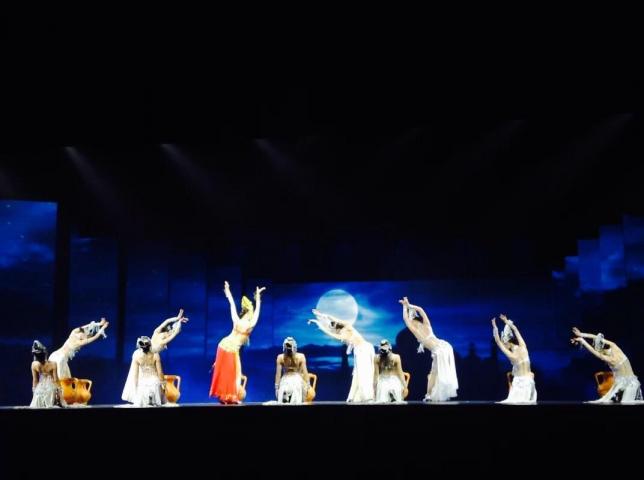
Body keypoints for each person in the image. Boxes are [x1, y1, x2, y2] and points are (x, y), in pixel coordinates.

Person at [209, 281, 266, 404]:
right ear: (249, 312)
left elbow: (231, 303)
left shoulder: (237, 320)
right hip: (231, 349)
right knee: (236, 373)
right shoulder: (250, 324)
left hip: (223, 345)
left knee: (228, 373)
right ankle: (231, 396)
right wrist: (258, 298)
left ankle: (225, 396)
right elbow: (257, 312)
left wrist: (228, 291)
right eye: (251, 312)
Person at [308, 309, 375, 403]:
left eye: (334, 325)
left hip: (363, 349)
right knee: (358, 374)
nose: (334, 327)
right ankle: (356, 397)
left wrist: (321, 315)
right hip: (359, 350)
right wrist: (317, 321)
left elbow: (334, 320)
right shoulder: (341, 334)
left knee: (364, 372)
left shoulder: (347, 326)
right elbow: (329, 331)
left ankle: (368, 396)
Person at [400, 297, 458, 401]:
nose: (410, 322)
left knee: (433, 375)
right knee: (433, 374)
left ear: (413, 321)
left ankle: (428, 395)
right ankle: (428, 395)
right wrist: (409, 305)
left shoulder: (415, 330)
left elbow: (405, 319)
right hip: (445, 346)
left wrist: (405, 306)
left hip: (439, 351)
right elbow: (421, 310)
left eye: (411, 320)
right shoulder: (426, 325)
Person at [571, 327, 642, 403]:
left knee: (625, 403)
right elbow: (597, 338)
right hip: (631, 383)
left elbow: (593, 351)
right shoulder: (614, 346)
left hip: (629, 386)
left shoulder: (611, 359)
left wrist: (582, 340)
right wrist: (581, 334)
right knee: (618, 401)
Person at [492, 314, 536, 404]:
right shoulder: (523, 346)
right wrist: (506, 321)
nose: (504, 346)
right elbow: (515, 330)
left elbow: (497, 342)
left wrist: (495, 327)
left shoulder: (512, 355)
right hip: (529, 383)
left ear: (507, 342)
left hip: (519, 386)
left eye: (504, 343)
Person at [121, 336, 166, 407]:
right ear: (150, 344)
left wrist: (136, 388)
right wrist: (164, 385)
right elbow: (160, 373)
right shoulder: (155, 354)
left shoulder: (136, 355)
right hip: (154, 383)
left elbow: (135, 375)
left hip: (142, 384)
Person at [274, 336, 310, 404]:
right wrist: (308, 385)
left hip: (285, 382)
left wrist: (277, 387)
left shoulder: (280, 357)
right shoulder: (301, 356)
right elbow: (305, 372)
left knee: (285, 400)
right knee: (297, 399)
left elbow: (278, 375)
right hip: (297, 381)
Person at [29, 340, 64, 408]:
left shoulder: (34, 365)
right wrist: (59, 392)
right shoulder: (53, 364)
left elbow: (35, 381)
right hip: (50, 389)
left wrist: (34, 392)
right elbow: (55, 380)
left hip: (40, 389)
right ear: (45, 353)